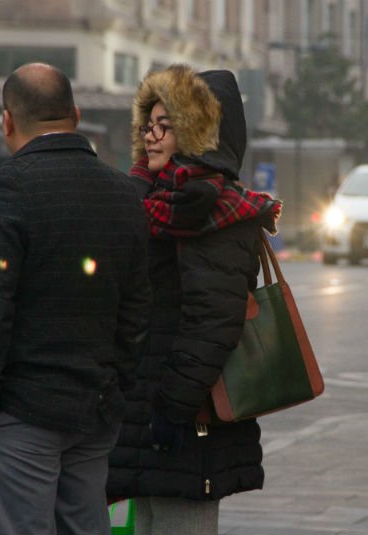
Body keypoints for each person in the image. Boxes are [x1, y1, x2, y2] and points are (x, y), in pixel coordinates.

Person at [0, 63, 150, 534]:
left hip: (20, 412)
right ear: (76, 115)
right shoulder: (124, 193)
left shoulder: (7, 187)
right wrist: (113, 383)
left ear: (7, 121)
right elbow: (137, 307)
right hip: (94, 410)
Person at [107, 64, 281, 534]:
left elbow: (214, 321)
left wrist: (171, 410)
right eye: (149, 125)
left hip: (186, 419)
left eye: (167, 126)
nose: (152, 136)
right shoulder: (151, 200)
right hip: (140, 412)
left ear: (199, 132)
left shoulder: (218, 211)